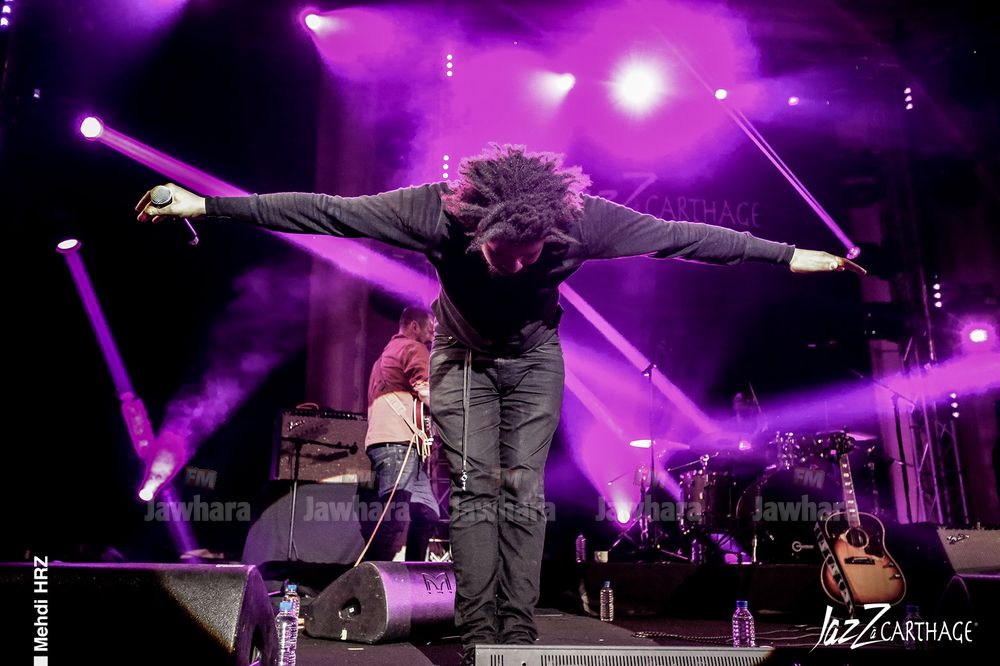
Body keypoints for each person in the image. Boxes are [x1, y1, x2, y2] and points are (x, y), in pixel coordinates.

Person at [136, 143, 864, 663]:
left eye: (528, 254)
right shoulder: (434, 213)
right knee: (477, 489)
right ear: (475, 228)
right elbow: (326, 212)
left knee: (522, 489)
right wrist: (206, 204)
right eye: (499, 254)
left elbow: (684, 239)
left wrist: (789, 255)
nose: (514, 266)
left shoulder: (584, 221)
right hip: (461, 360)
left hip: (535, 359)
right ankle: (482, 629)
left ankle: (516, 630)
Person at [362, 306, 441, 562]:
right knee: (394, 522)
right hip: (397, 444)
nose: (433, 333)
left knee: (427, 513)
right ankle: (372, 581)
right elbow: (426, 389)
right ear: (414, 326)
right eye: (430, 327)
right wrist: (454, 414)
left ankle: (414, 575)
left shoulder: (385, 356)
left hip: (393, 444)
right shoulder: (412, 348)